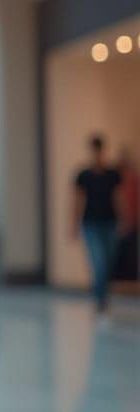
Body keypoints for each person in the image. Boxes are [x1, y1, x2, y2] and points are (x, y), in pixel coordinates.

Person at [70, 134, 124, 322]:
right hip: (90, 224)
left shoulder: (113, 175)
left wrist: (123, 220)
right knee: (99, 262)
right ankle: (100, 300)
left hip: (110, 222)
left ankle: (103, 296)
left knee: (107, 262)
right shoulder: (83, 176)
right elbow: (77, 201)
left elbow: (119, 198)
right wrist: (74, 224)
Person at [113, 146, 138, 285]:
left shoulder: (134, 179)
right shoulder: (116, 179)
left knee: (130, 254)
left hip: (132, 222)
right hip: (118, 223)